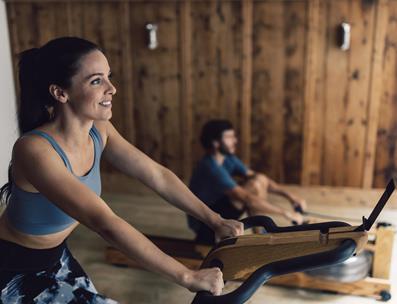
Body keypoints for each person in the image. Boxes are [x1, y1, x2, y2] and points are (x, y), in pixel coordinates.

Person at [0, 37, 244, 303]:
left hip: (56, 257)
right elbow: (105, 223)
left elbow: (156, 175)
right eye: (96, 81)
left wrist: (214, 219)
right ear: (60, 93)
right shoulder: (34, 150)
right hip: (13, 269)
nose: (112, 88)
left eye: (108, 76)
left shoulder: (98, 130)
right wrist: (187, 276)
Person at [187, 119, 307, 244]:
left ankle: (261, 237)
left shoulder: (228, 159)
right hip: (206, 226)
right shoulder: (210, 166)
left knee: (259, 180)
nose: (235, 141)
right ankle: (262, 238)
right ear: (215, 142)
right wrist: (286, 213)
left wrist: (291, 197)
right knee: (253, 187)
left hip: (221, 214)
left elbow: (262, 179)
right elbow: (247, 198)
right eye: (229, 137)